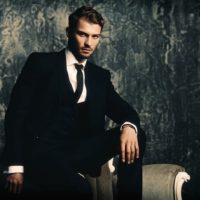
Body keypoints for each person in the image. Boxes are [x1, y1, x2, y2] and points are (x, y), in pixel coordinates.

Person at [1, 6, 146, 200]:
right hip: (44, 154)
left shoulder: (99, 77)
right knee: (80, 190)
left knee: (137, 133)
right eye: (82, 34)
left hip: (79, 152)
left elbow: (125, 111)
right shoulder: (41, 64)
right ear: (69, 33)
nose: (89, 43)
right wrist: (15, 167)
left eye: (95, 37)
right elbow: (16, 115)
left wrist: (128, 126)